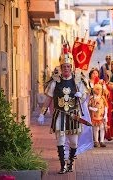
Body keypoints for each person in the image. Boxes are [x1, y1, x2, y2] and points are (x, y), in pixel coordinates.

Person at [37, 44, 88, 174]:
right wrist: (42, 113)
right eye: (64, 66)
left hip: (73, 115)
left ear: (71, 67)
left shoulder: (78, 80)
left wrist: (80, 95)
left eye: (68, 66)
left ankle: (70, 162)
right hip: (59, 114)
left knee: (73, 143)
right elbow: (48, 98)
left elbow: (84, 96)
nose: (66, 68)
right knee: (60, 140)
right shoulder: (55, 81)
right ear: (61, 67)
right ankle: (62, 165)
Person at [89, 83, 108, 147]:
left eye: (100, 89)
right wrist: (93, 109)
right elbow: (88, 106)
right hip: (94, 116)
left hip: (101, 115)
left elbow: (106, 106)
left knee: (102, 128)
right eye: (97, 89)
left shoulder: (103, 98)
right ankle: (96, 141)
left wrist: (105, 115)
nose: (99, 91)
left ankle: (102, 141)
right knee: (96, 128)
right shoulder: (92, 98)